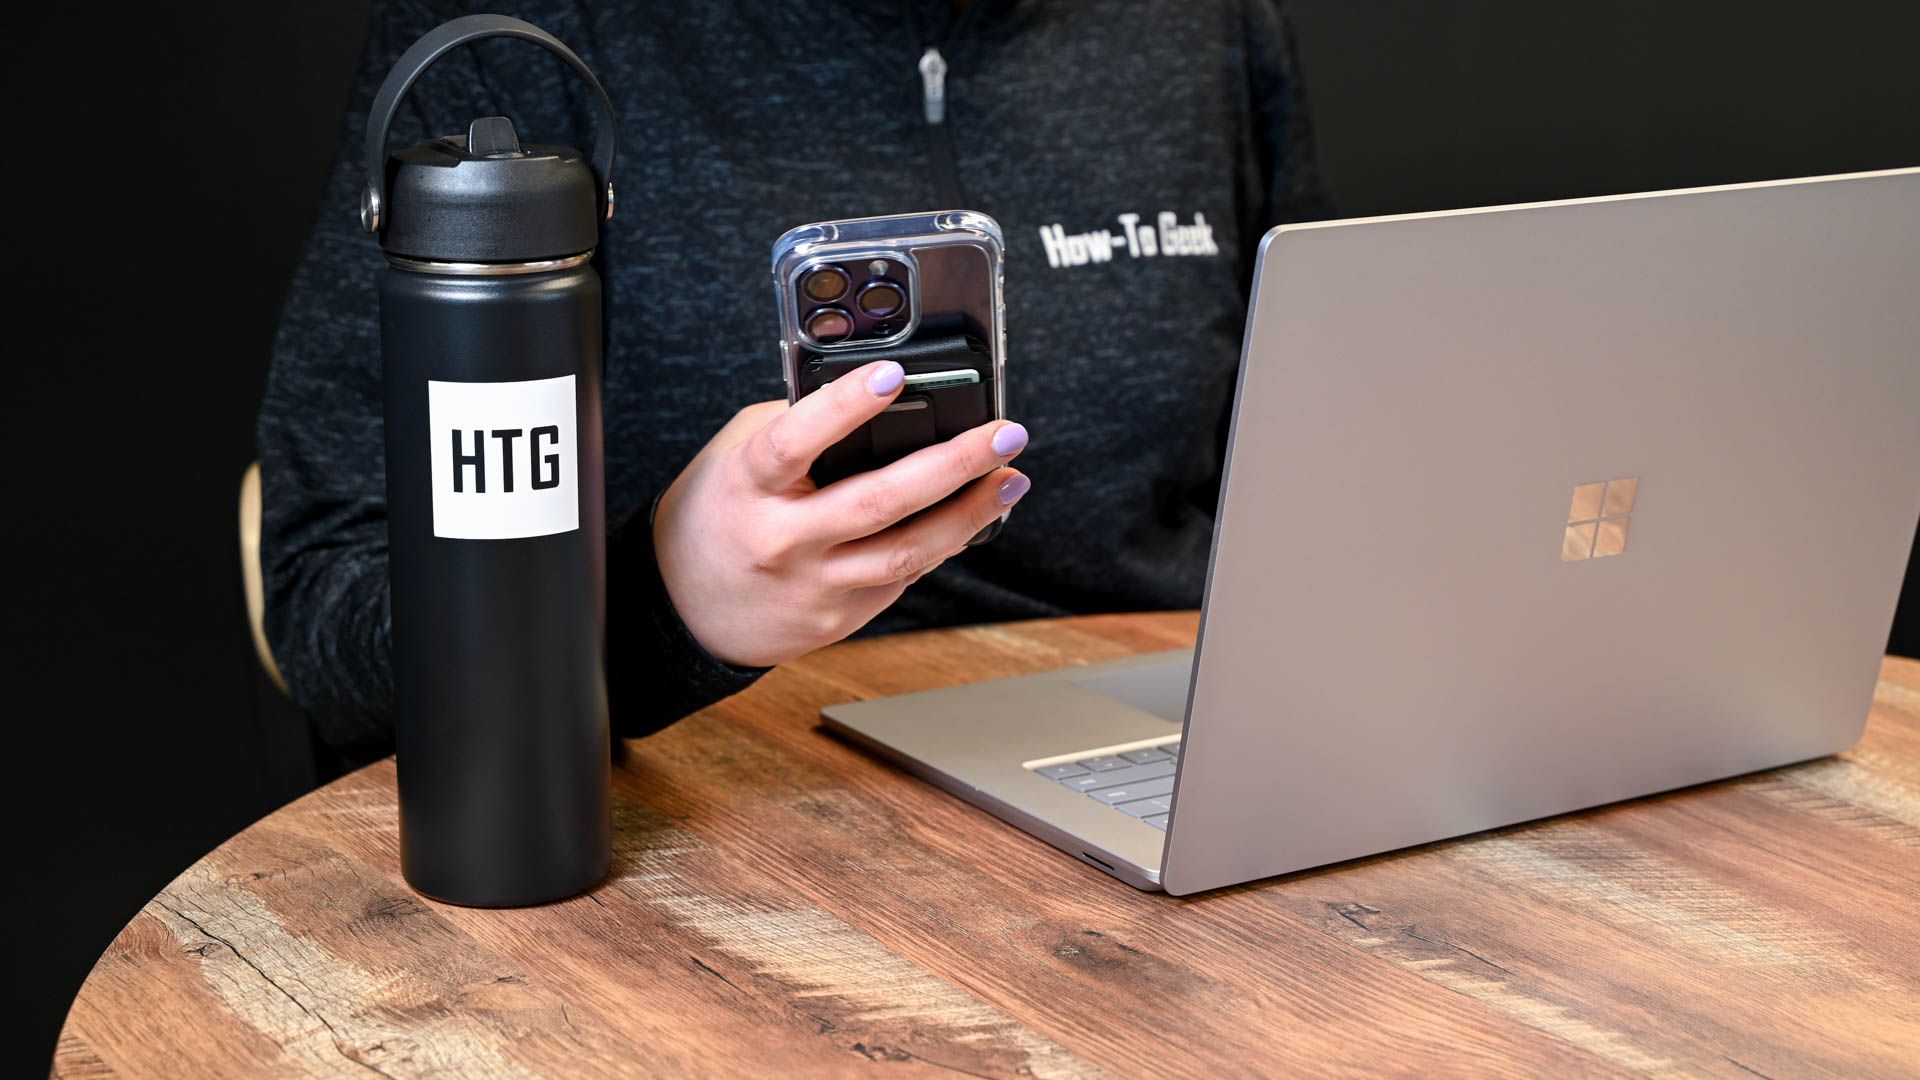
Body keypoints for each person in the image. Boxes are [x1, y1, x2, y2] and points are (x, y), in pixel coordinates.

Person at [260, 0, 1329, 762]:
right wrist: (660, 602)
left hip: (1160, 758)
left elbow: (1319, 475)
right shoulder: (522, 42)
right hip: (714, 811)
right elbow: (331, 598)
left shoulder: (1215, 28)